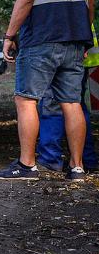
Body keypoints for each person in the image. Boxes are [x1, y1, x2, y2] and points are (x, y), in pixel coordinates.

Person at [0, 0, 94, 181]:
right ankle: (77, 168)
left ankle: (27, 165)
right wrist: (85, 38)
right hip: (75, 40)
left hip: (42, 38)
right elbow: (89, 2)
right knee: (72, 103)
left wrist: (9, 35)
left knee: (26, 99)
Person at [36, 41, 99, 171]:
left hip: (62, 49)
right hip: (83, 50)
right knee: (76, 105)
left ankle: (50, 158)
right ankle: (86, 159)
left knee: (53, 103)